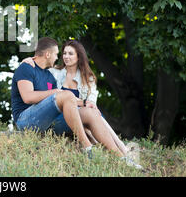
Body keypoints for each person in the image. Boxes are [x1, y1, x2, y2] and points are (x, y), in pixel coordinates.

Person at [12, 37, 142, 169]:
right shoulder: (29, 68)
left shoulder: (49, 75)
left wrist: (84, 103)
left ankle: (122, 158)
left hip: (50, 122)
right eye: (59, 54)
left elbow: (56, 100)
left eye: (69, 54)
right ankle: (88, 147)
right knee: (66, 95)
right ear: (47, 54)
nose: (60, 57)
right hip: (26, 120)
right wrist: (55, 91)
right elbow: (28, 97)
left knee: (90, 112)